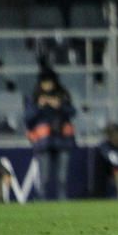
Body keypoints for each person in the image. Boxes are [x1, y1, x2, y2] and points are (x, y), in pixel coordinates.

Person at [24, 68, 76, 200]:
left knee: (62, 177)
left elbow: (72, 112)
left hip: (62, 140)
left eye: (49, 82)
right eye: (44, 82)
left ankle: (63, 201)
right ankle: (42, 200)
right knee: (44, 176)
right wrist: (39, 107)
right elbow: (28, 119)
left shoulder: (63, 95)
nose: (47, 85)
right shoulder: (34, 98)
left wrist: (60, 106)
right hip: (44, 141)